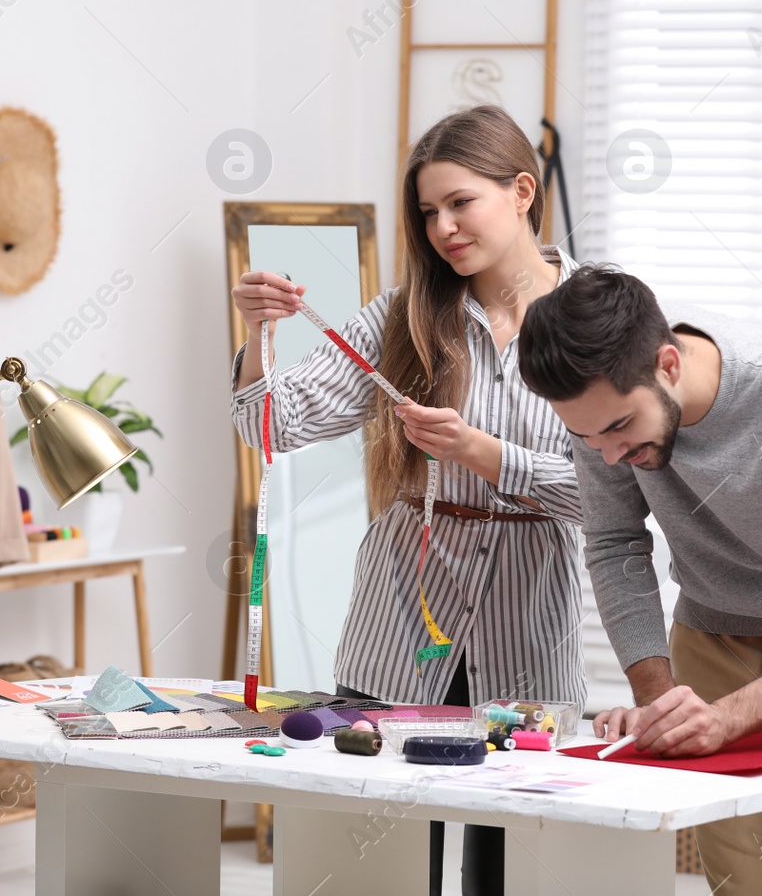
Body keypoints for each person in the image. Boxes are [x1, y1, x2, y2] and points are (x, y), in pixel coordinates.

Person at [229, 104, 585, 896]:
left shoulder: (595, 313)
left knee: (514, 864)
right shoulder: (402, 315)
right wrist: (260, 334)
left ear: (523, 190)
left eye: (462, 202)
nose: (443, 227)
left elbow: (614, 494)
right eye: (428, 212)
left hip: (530, 621)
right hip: (402, 619)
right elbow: (269, 424)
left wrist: (486, 455)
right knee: (379, 859)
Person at [517, 264, 762, 896]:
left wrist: (726, 720)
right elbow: (616, 544)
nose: (609, 456)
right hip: (712, 636)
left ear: (669, 365)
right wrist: (657, 698)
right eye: (583, 435)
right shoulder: (603, 418)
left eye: (621, 427)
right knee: (742, 886)